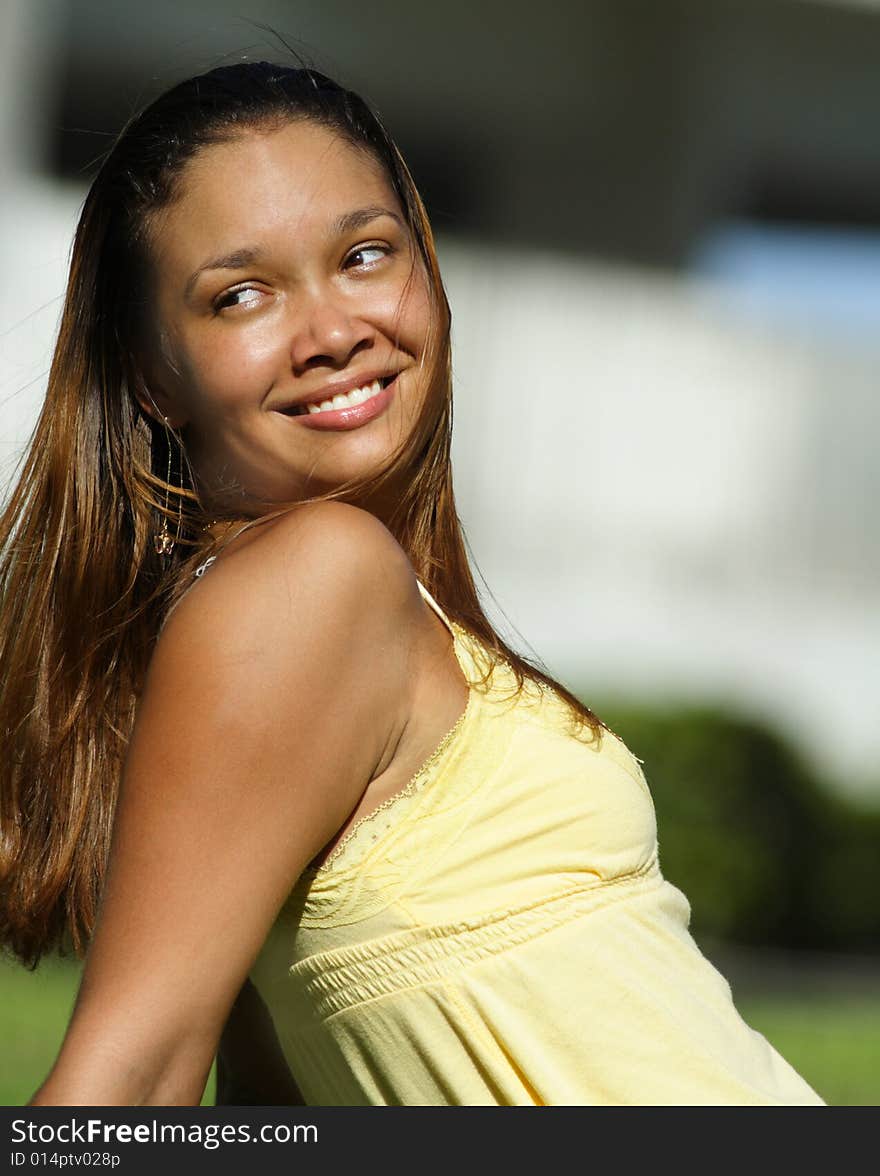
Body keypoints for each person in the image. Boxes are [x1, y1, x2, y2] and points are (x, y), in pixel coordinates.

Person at [0, 60, 824, 1107]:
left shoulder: (321, 603)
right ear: (155, 374)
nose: (334, 331)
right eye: (241, 294)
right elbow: (130, 1082)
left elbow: (275, 1105)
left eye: (363, 255)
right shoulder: (311, 581)